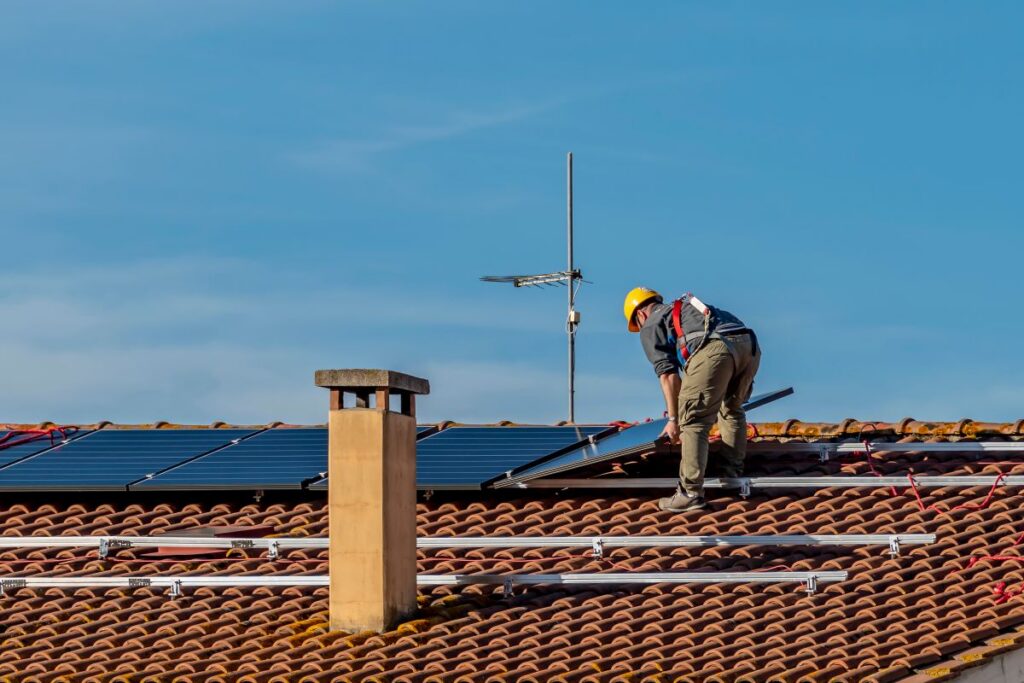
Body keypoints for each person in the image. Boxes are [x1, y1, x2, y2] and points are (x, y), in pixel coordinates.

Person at [624, 287, 761, 512]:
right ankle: (730, 474)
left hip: (715, 348)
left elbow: (668, 375)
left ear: (640, 314)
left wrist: (675, 418)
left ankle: (689, 493)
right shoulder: (684, 309)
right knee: (731, 407)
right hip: (749, 345)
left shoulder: (650, 324)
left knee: (693, 420)